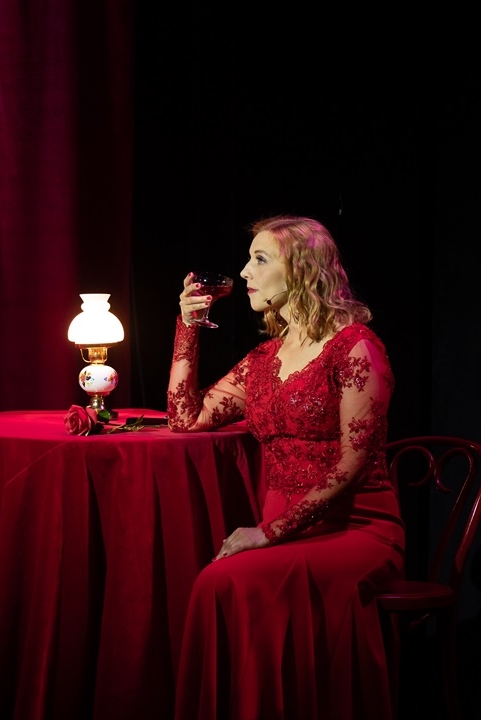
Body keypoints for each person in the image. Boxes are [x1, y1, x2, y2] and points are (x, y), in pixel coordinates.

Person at [167, 215, 405, 719]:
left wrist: (268, 532)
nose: (244, 271)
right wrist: (186, 331)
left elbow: (354, 465)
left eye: (259, 259)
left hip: (354, 528)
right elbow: (185, 419)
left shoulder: (357, 346)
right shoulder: (263, 359)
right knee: (218, 582)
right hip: (285, 530)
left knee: (223, 581)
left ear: (300, 271)